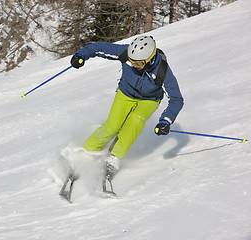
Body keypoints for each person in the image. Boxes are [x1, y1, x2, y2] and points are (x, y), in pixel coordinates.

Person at [70, 35, 184, 180]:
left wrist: (165, 121)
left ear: (150, 60)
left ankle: (115, 157)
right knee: (111, 127)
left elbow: (176, 99)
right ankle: (85, 154)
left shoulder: (163, 71)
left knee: (134, 123)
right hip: (125, 94)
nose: (135, 65)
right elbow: (98, 48)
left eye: (139, 63)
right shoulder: (126, 53)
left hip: (149, 100)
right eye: (132, 62)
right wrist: (81, 56)